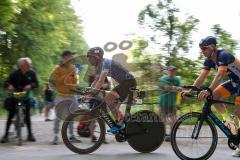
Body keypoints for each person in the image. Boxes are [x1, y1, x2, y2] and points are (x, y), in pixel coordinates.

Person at [181, 36, 240, 157]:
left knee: (237, 109)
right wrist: (190, 90)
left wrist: (208, 89)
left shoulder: (224, 55)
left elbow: (219, 76)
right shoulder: (208, 61)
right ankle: (230, 123)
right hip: (234, 82)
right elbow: (202, 77)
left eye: (204, 48)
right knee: (215, 96)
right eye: (201, 48)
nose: (202, 50)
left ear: (213, 47)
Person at [87, 47, 136, 133]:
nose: (89, 59)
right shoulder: (99, 66)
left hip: (128, 82)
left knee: (108, 99)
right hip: (125, 83)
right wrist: (89, 92)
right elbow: (95, 81)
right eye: (88, 57)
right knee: (110, 101)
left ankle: (120, 123)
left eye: (90, 57)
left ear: (97, 57)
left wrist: (92, 93)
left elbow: (101, 80)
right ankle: (121, 124)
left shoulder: (105, 63)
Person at [1, 57, 39, 143]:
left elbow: (36, 83)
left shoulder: (32, 73)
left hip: (26, 96)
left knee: (28, 116)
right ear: (21, 65)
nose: (29, 66)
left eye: (29, 65)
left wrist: (31, 86)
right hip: (14, 96)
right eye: (26, 65)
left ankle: (30, 134)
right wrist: (9, 86)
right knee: (10, 115)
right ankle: (6, 135)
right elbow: (6, 82)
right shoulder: (14, 73)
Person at [50, 50, 79, 145]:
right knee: (58, 116)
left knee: (72, 116)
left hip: (71, 95)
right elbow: (56, 81)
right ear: (65, 57)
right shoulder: (57, 68)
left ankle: (71, 135)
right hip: (61, 95)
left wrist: (74, 76)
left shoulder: (73, 67)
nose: (72, 58)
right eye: (70, 56)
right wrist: (67, 75)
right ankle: (55, 136)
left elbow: (74, 82)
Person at [159, 66, 182, 141]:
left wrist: (178, 102)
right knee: (163, 120)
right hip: (163, 103)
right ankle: (163, 134)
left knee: (173, 120)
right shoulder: (163, 79)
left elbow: (180, 89)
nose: (172, 72)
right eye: (171, 71)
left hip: (173, 103)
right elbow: (165, 87)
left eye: (174, 71)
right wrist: (175, 88)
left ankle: (172, 134)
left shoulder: (177, 79)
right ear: (168, 71)